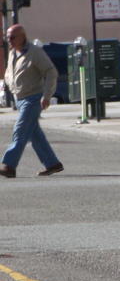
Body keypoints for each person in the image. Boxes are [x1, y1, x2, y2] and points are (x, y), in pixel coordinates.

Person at [0, 24, 63, 178]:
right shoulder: (13, 53)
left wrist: (47, 95)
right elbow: (9, 73)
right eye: (7, 37)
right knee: (34, 134)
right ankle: (52, 164)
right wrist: (8, 84)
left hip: (33, 98)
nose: (9, 40)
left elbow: (51, 72)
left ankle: (9, 166)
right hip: (20, 99)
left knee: (20, 130)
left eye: (12, 37)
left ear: (22, 36)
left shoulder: (35, 52)